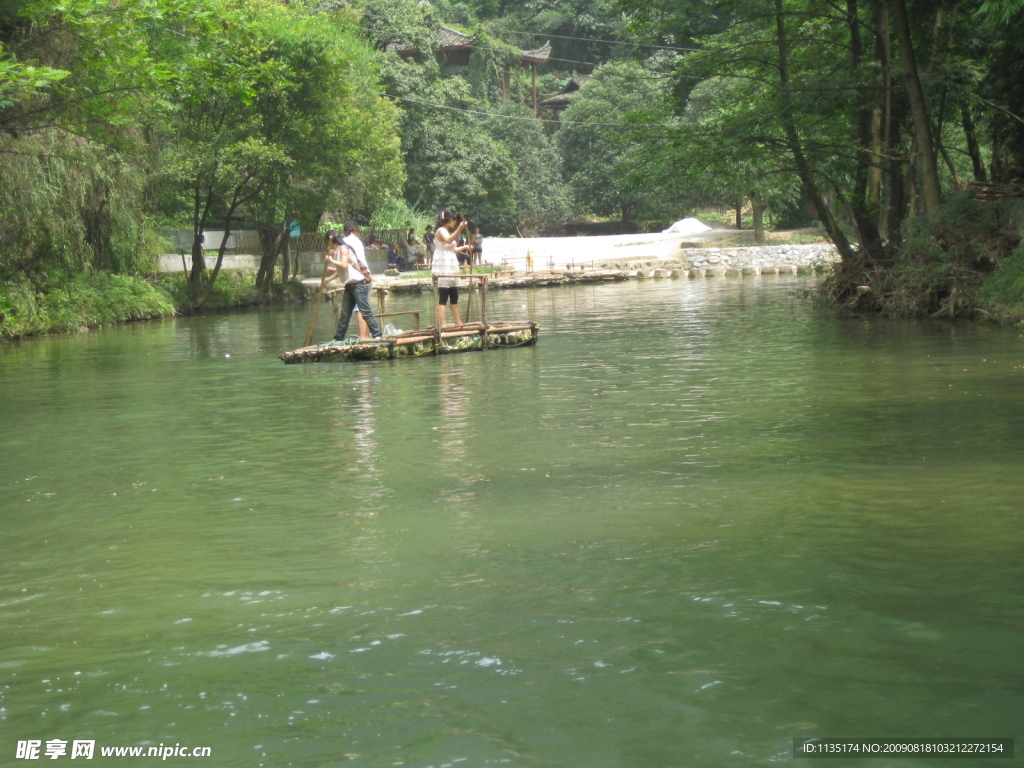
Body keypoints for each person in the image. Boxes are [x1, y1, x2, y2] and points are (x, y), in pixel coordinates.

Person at [325, 221, 382, 341]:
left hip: (358, 284)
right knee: (345, 314)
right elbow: (340, 269)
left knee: (365, 311)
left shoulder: (344, 248)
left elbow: (344, 265)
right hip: (349, 285)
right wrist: (328, 278)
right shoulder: (337, 251)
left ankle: (377, 335)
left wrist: (331, 260)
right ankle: (338, 338)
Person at [432, 209, 472, 328]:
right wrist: (460, 229)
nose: (455, 224)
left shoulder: (447, 231)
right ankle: (443, 323)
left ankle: (457, 321)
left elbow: (451, 248)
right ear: (451, 220)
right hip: (443, 265)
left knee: (454, 294)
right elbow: (449, 240)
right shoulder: (440, 230)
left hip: (451, 263)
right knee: (444, 295)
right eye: (455, 221)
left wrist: (464, 247)